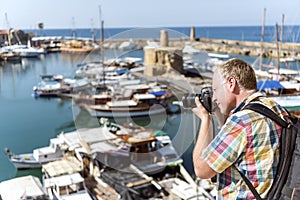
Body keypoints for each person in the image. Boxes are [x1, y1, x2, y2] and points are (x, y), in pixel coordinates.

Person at [192, 58, 288, 199]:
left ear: (231, 83)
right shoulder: (276, 109)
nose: (214, 99)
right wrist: (219, 114)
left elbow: (201, 170)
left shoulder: (241, 122)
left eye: (215, 90)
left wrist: (206, 119)